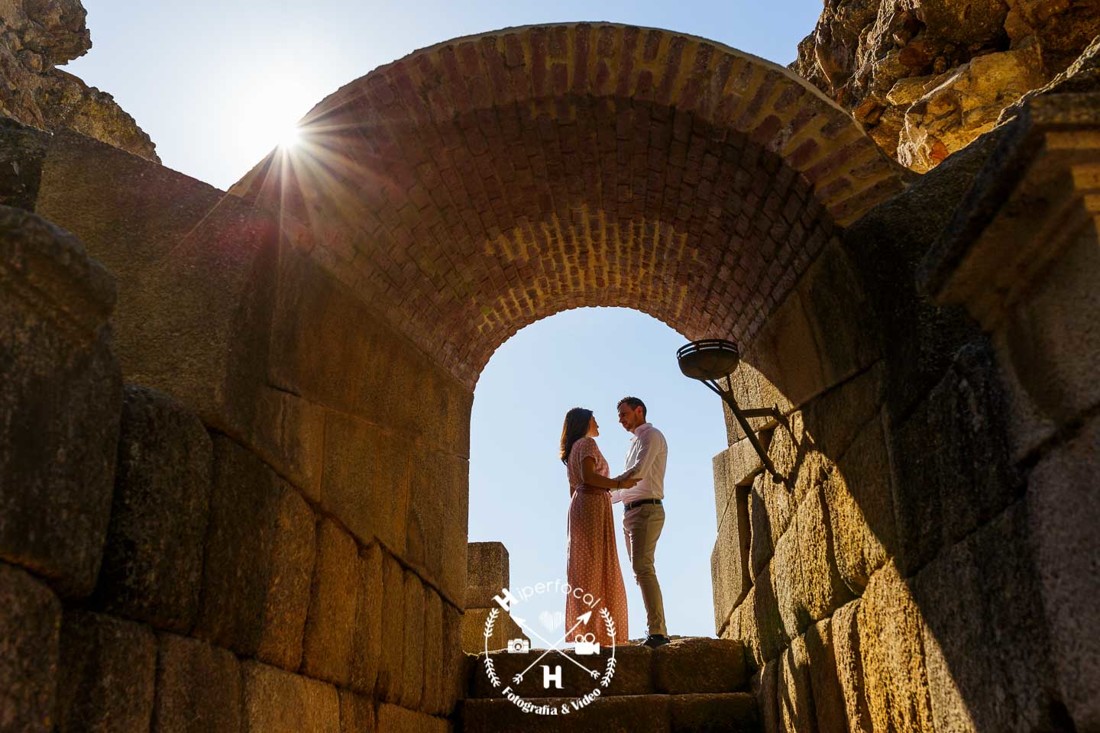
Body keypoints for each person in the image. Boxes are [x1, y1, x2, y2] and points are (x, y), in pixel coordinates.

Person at [561, 407, 638, 648]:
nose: (598, 422)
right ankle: (597, 633)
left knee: (584, 568)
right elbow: (588, 477)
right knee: (597, 566)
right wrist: (618, 483)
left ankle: (587, 632)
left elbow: (574, 488)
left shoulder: (574, 448)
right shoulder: (586, 444)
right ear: (584, 422)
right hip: (592, 503)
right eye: (594, 419)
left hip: (582, 506)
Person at [610, 396, 670, 648]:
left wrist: (604, 488)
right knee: (640, 572)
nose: (621, 420)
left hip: (647, 510)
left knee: (643, 569)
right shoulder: (633, 442)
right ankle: (655, 629)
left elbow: (639, 472)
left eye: (624, 414)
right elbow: (626, 487)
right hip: (630, 513)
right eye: (619, 417)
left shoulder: (651, 436)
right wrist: (602, 497)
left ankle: (658, 632)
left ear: (639, 411)